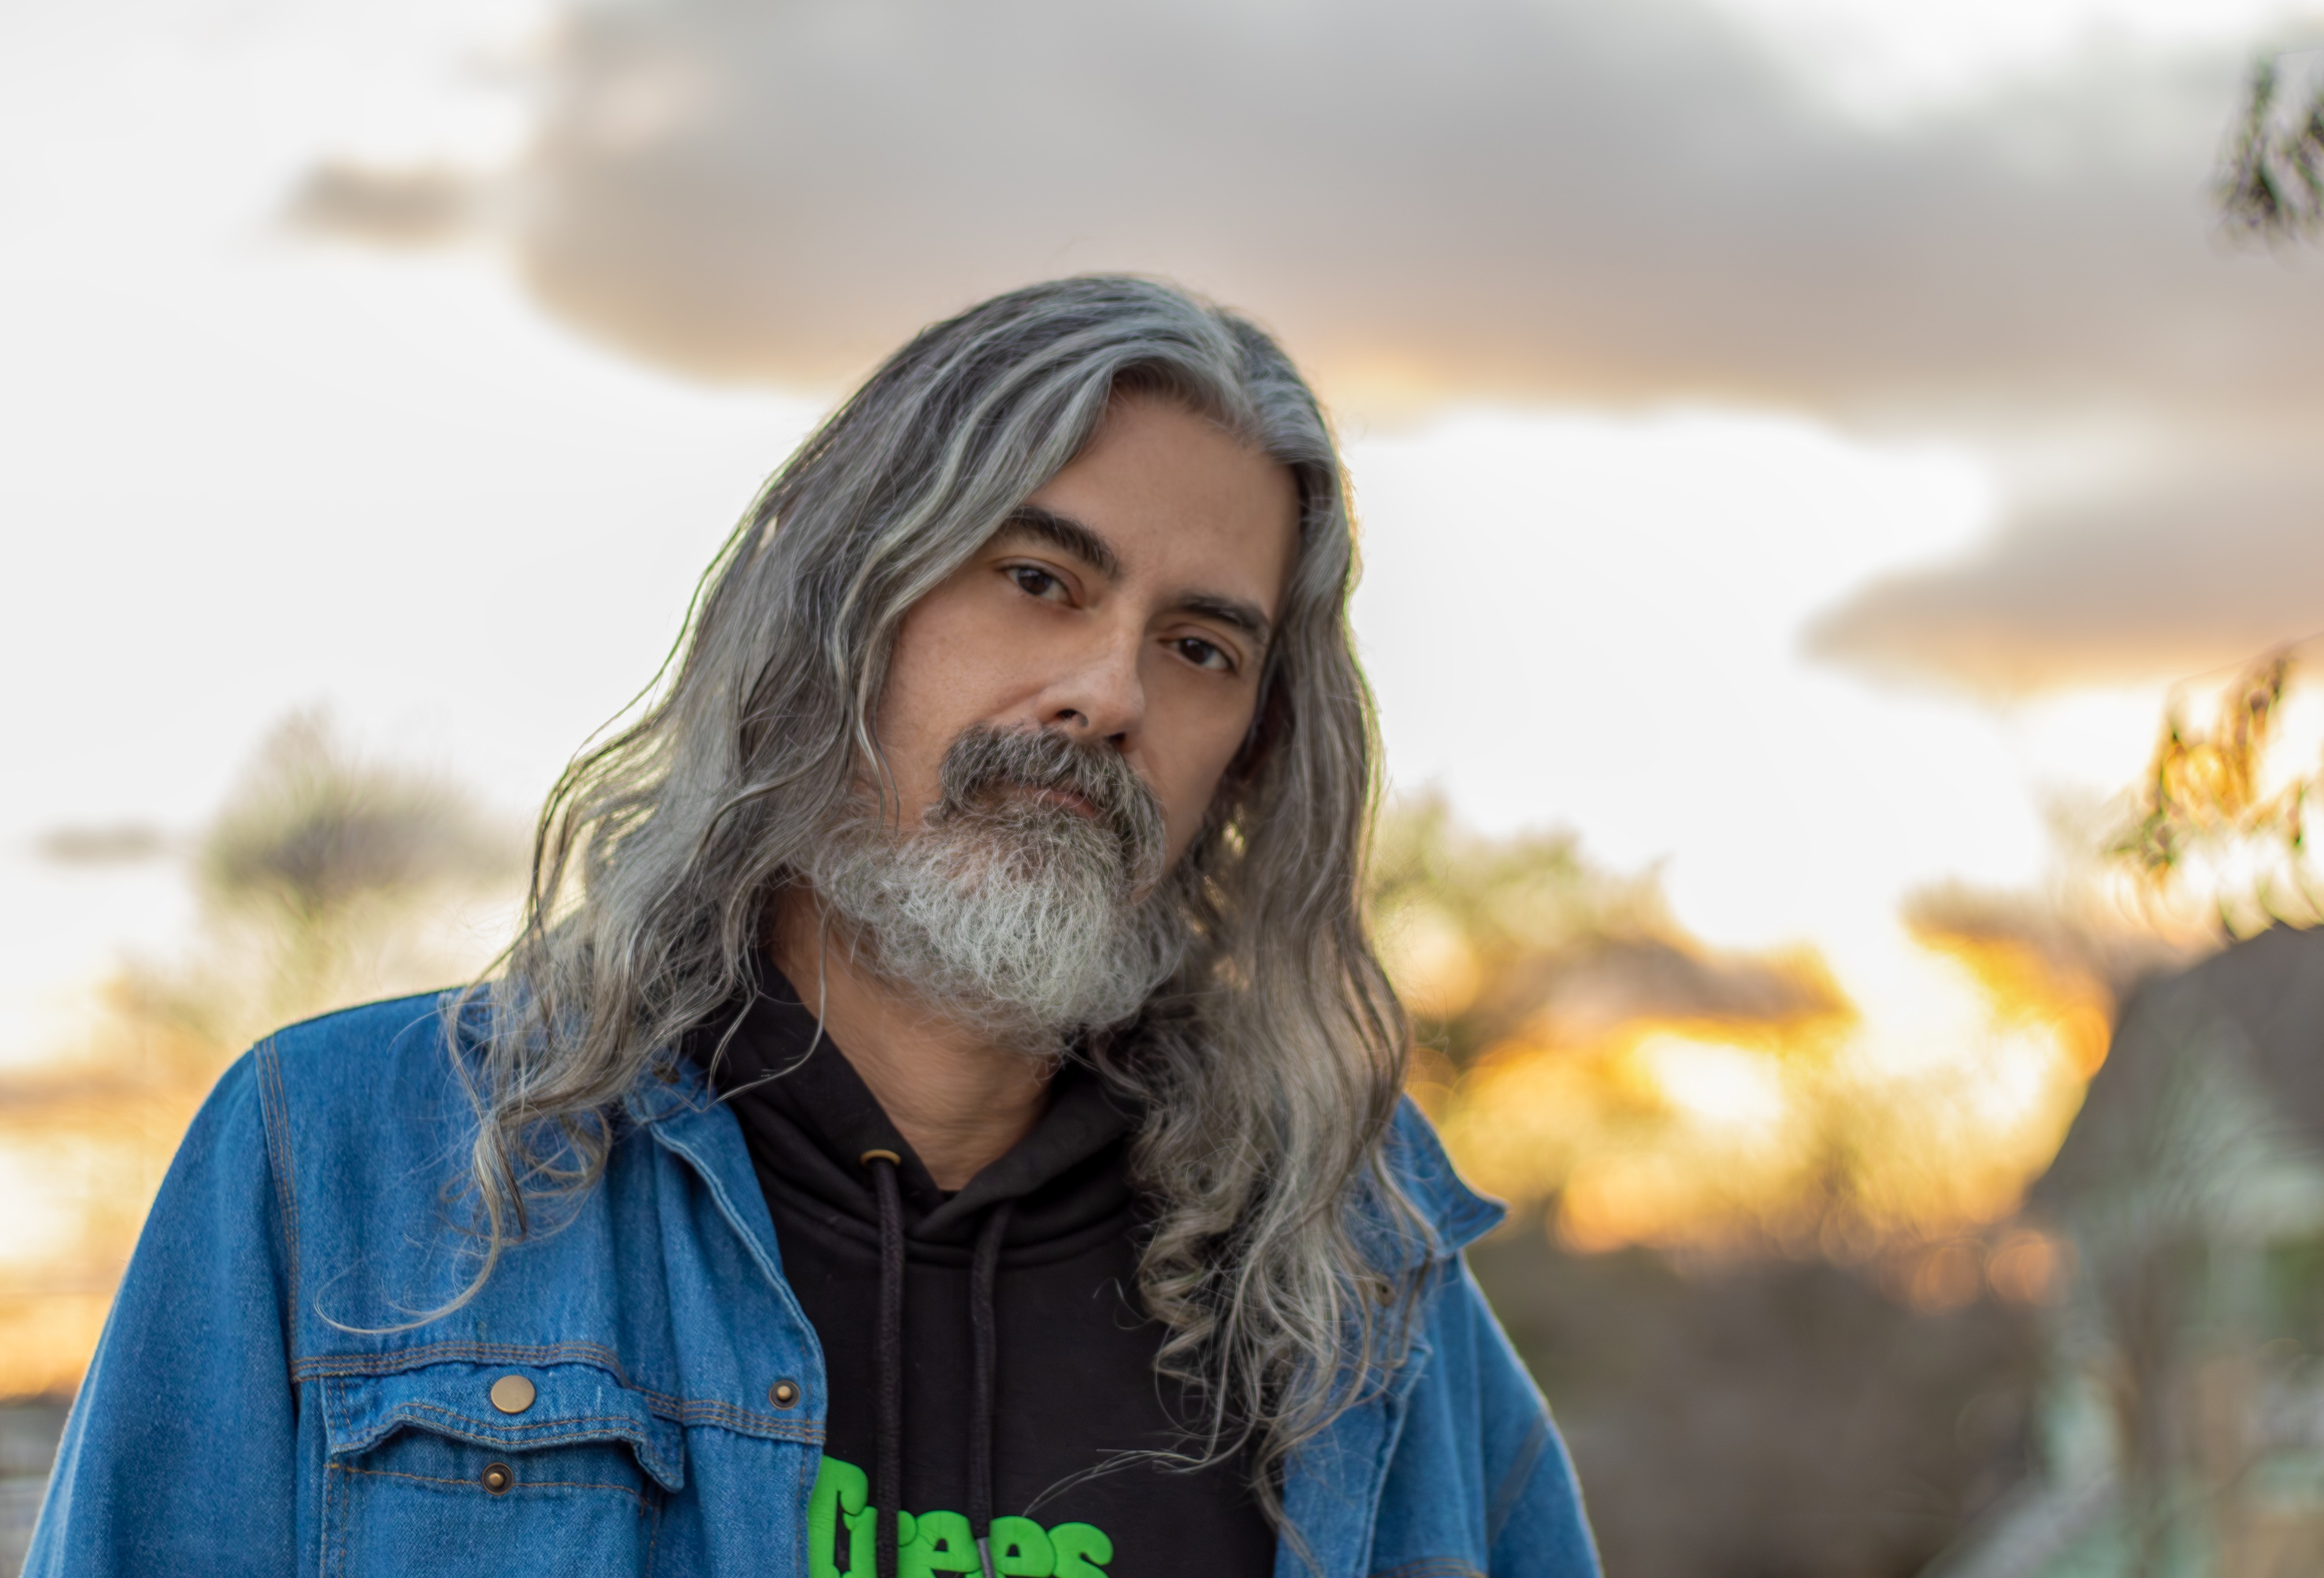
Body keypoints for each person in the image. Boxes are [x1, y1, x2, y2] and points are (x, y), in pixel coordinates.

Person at [28, 276, 1597, 1577]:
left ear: (1252, 753)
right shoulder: (344, 1165)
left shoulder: (1351, 1274)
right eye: (1039, 577)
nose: (1108, 691)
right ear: (838, 605)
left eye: (1200, 647)